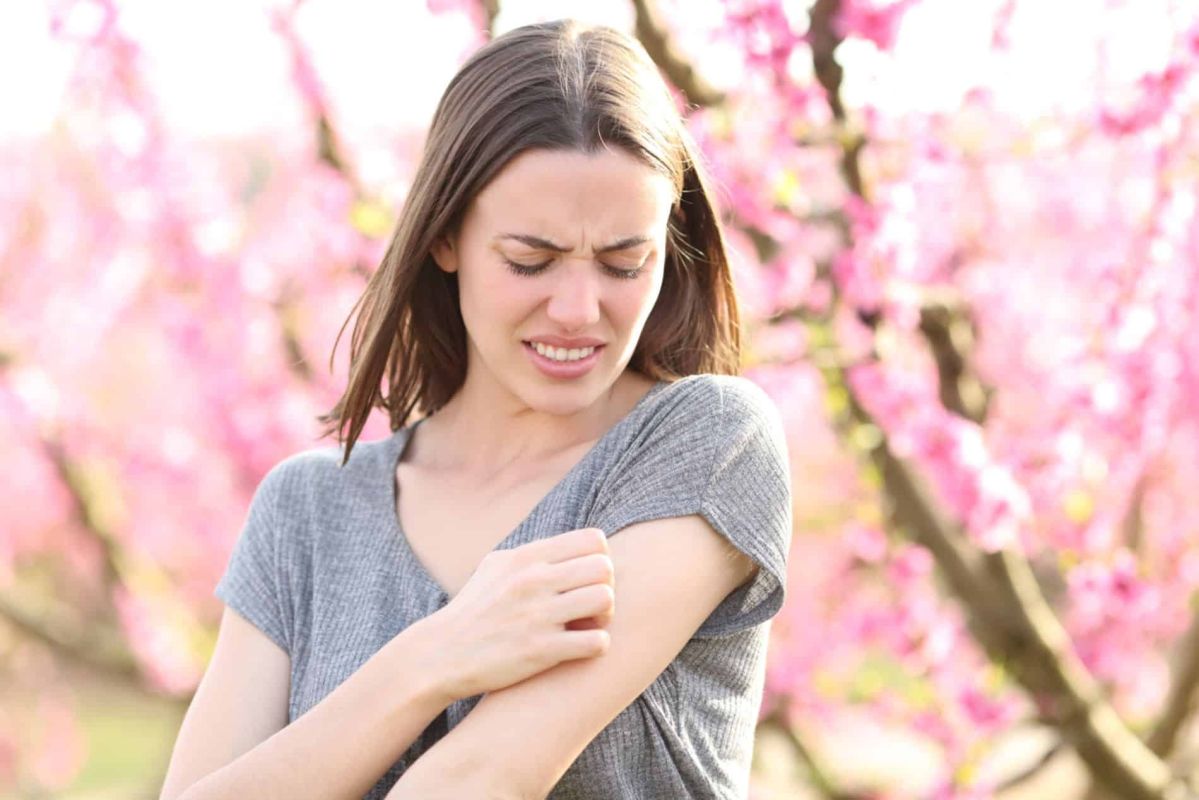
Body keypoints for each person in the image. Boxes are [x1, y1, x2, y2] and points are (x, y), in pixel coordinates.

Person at [159, 17, 792, 800]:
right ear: (445, 237)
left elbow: (481, 777)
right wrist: (430, 659)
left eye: (626, 263)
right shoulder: (307, 513)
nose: (578, 308)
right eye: (531, 260)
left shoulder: (706, 444)